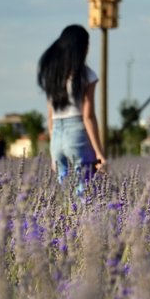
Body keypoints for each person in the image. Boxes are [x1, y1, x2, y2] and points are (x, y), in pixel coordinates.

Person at [37, 24, 107, 193]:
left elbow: (50, 115)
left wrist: (54, 151)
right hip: (77, 134)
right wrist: (99, 152)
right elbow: (88, 116)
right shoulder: (87, 75)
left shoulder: (52, 74)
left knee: (66, 193)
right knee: (84, 192)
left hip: (57, 138)